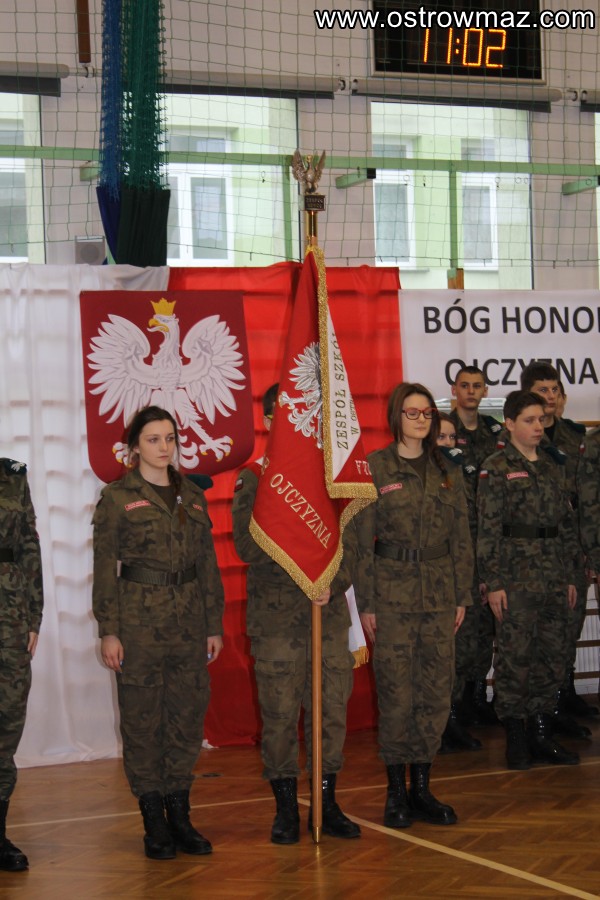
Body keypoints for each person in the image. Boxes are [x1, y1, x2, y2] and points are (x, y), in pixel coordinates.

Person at [92, 406, 224, 860]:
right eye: (153, 439)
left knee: (186, 718)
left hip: (189, 624)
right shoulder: (117, 498)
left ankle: (180, 815)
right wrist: (109, 630)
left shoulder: (193, 495)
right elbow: (104, 569)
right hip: (138, 625)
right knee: (142, 721)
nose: (164, 447)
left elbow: (207, 565)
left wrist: (213, 623)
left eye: (170, 438)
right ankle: (154, 820)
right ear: (134, 447)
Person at [231, 384, 361, 845]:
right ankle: (286, 808)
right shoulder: (254, 477)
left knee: (331, 715)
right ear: (269, 420)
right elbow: (246, 546)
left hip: (327, 615)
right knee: (281, 715)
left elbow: (355, 545)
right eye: (284, 414)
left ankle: (327, 803)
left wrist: (332, 581)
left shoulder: (335, 477)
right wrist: (301, 555)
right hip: (278, 620)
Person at [355, 382, 473, 828]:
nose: (421, 420)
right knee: (396, 695)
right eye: (412, 413)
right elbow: (361, 541)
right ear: (396, 417)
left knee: (435, 693)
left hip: (440, 596)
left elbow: (461, 537)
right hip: (392, 597)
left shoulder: (448, 469)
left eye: (427, 413)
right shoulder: (375, 468)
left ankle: (422, 787)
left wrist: (461, 594)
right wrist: (366, 601)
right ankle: (395, 792)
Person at [477, 390, 580, 770]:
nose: (538, 426)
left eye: (541, 420)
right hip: (515, 579)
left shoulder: (553, 465)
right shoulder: (496, 466)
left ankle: (541, 733)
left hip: (554, 577)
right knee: (515, 659)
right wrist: (493, 583)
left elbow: (565, 525)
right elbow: (488, 530)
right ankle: (516, 737)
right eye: (529, 420)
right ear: (509, 423)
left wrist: (570, 576)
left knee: (551, 658)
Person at [520, 362, 597, 723]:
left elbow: (588, 499)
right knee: (540, 633)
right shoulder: (521, 438)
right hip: (533, 552)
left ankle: (565, 694)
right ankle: (541, 708)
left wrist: (590, 550)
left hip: (572, 547)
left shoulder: (576, 437)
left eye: (554, 390)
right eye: (542, 390)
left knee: (571, 624)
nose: (549, 397)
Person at [450, 366, 501, 728]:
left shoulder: (495, 432)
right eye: (465, 386)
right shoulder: (443, 431)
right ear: (455, 390)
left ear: (485, 391)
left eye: (477, 386)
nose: (471, 391)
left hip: (491, 539)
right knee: (462, 630)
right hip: (459, 541)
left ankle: (477, 696)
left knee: (486, 628)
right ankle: (455, 707)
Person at [0, 458, 43, 872]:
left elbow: (29, 545)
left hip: (9, 617)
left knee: (6, 724)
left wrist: (34, 615)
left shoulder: (12, 476)